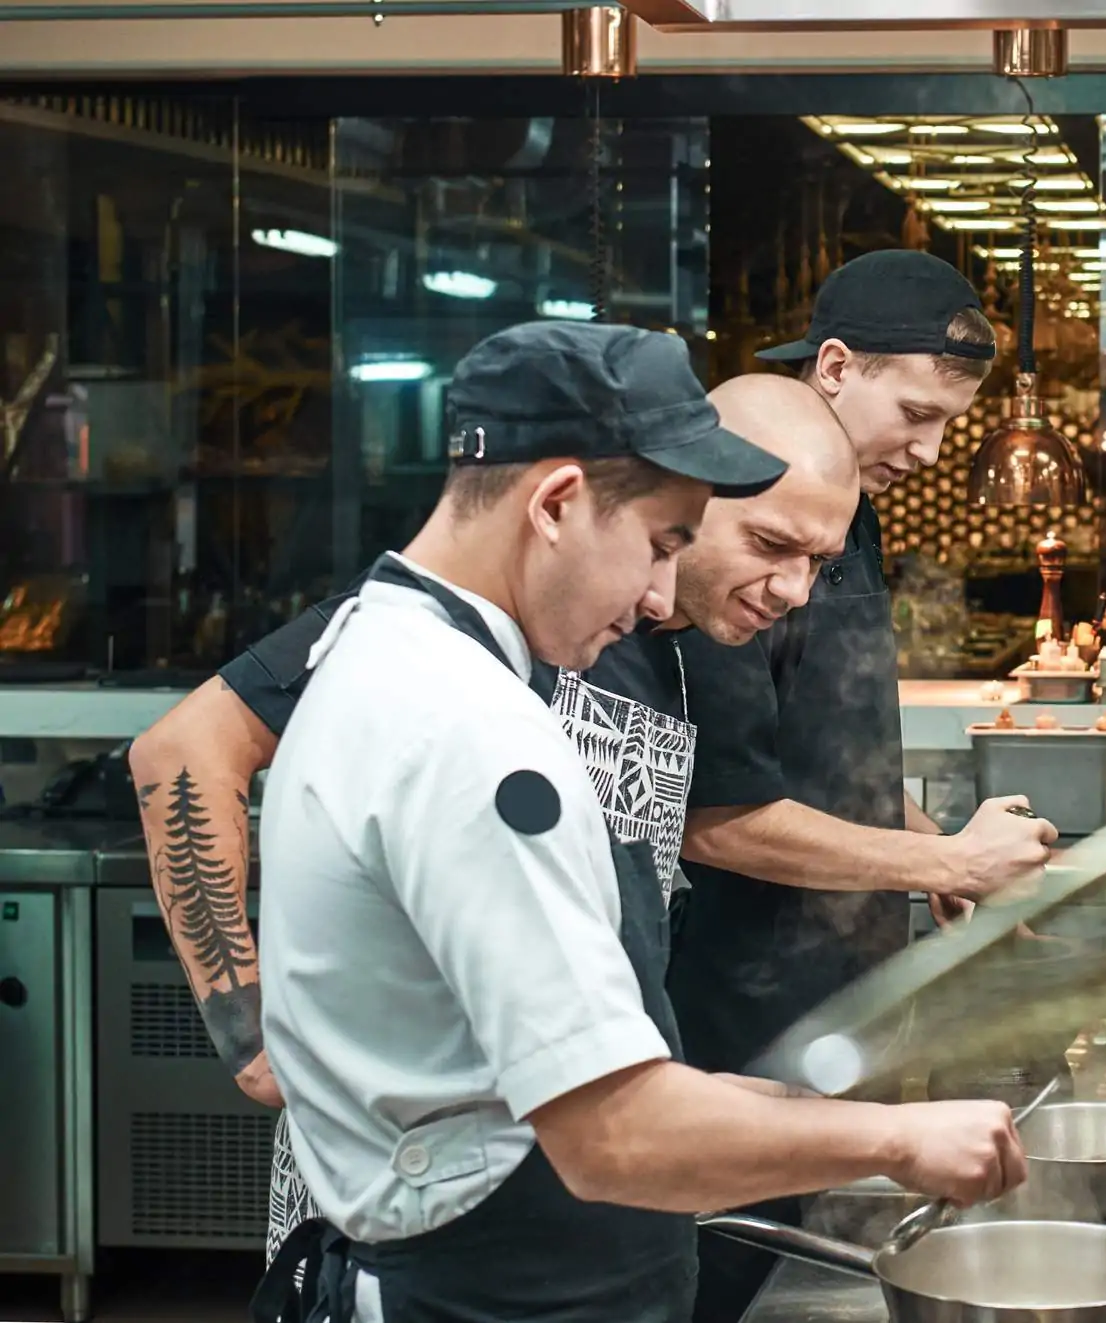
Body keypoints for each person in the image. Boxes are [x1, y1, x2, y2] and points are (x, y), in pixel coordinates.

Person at [141, 323, 1026, 1323]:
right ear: (557, 505)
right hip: (460, 1231)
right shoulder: (458, 707)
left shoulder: (486, 649)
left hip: (532, 1185)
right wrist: (251, 1030)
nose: (658, 595)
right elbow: (180, 749)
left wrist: (766, 1113)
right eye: (670, 544)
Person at [667, 248, 1058, 1322]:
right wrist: (938, 857)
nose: (928, 451)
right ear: (834, 366)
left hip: (844, 990)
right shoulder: (737, 509)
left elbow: (828, 754)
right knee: (740, 1282)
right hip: (741, 1008)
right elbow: (721, 814)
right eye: (916, 413)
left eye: (949, 426)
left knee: (822, 1266)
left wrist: (945, 867)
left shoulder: (854, 514)